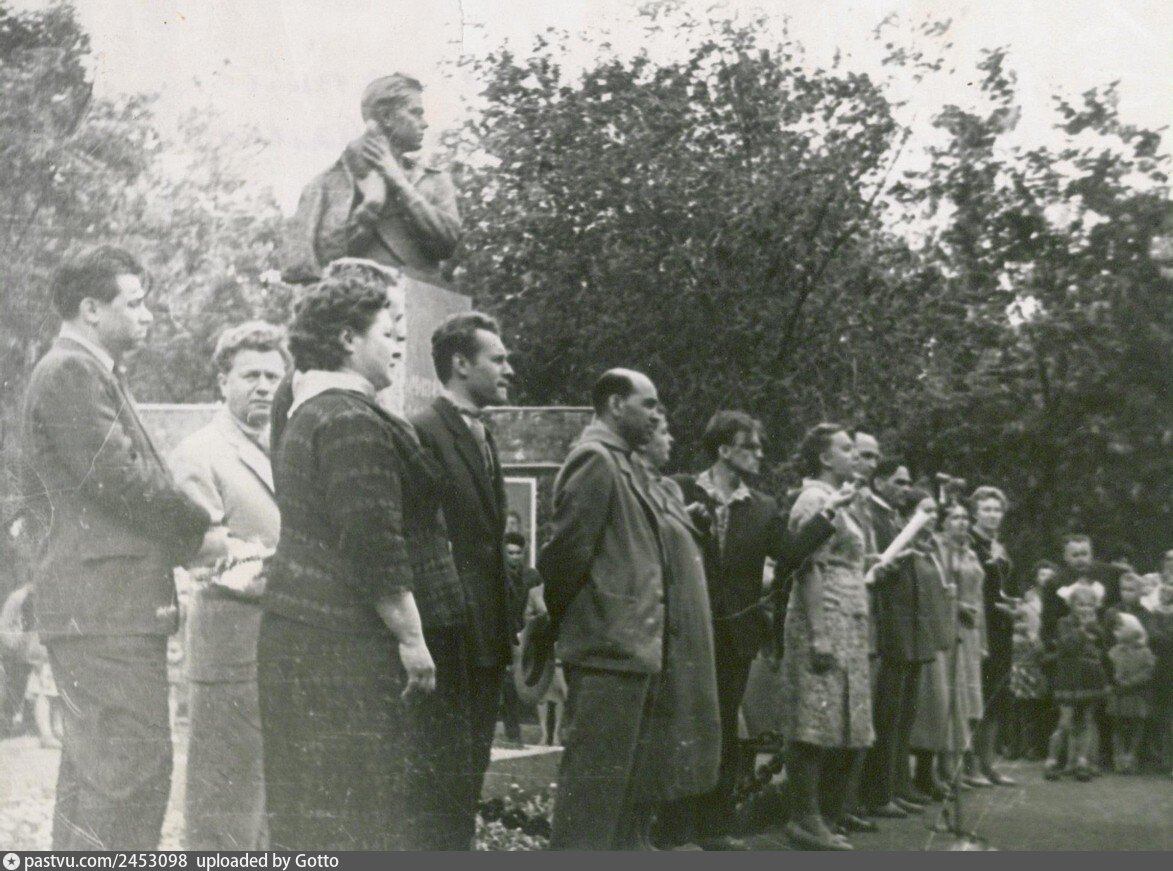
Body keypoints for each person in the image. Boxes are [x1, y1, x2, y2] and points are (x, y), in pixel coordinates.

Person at [20, 247, 211, 849]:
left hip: (101, 610)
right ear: (91, 309)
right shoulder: (72, 373)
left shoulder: (83, 371)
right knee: (129, 778)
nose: (147, 315)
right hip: (106, 613)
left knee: (97, 782)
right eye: (136, 302)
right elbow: (121, 478)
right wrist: (203, 530)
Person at [257, 270, 454, 849]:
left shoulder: (313, 410)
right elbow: (373, 541)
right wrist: (412, 638)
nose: (397, 344)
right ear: (347, 339)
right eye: (387, 332)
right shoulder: (348, 419)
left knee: (314, 810)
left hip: (307, 635)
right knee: (354, 810)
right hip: (341, 645)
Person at [665, 411, 841, 849]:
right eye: (752, 446)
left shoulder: (762, 506)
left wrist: (828, 515)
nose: (760, 454)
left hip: (735, 635)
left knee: (725, 729)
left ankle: (714, 827)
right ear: (724, 449)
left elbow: (789, 555)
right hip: (686, 628)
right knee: (681, 724)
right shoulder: (680, 489)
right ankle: (671, 828)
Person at [168, 321, 288, 849]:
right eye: (250, 375)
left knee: (271, 805)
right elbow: (199, 547)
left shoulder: (286, 446)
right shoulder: (200, 450)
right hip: (229, 646)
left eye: (272, 376)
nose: (263, 387)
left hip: (284, 642)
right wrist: (282, 564)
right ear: (223, 381)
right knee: (224, 806)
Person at [537, 368, 666, 850]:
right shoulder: (595, 458)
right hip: (607, 649)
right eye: (648, 404)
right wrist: (561, 623)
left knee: (613, 796)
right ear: (615, 404)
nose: (656, 415)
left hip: (626, 648)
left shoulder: (620, 462)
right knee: (590, 800)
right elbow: (566, 554)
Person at [409, 311, 514, 848]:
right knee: (442, 776)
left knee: (469, 769)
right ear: (460, 364)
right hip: (451, 635)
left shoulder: (482, 433)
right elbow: (423, 536)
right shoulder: (424, 431)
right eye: (498, 359)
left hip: (488, 634)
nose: (509, 370)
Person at [778, 424, 872, 851]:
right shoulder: (814, 499)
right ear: (824, 457)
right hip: (823, 617)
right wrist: (818, 633)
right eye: (846, 448)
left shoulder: (843, 500)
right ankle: (805, 819)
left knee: (840, 718)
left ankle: (827, 815)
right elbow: (807, 566)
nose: (855, 455)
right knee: (812, 720)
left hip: (849, 620)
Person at [284, 74, 460, 285]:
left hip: (423, 298)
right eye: (415, 113)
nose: (425, 124)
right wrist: (370, 207)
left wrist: (398, 182)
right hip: (354, 297)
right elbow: (317, 266)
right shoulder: (324, 186)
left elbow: (447, 246)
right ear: (386, 117)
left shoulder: (435, 181)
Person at [637, 415, 722, 851]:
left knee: (688, 722)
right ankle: (646, 835)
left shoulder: (669, 489)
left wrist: (690, 522)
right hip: (665, 625)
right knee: (659, 728)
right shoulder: (634, 487)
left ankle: (663, 833)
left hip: (691, 625)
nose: (671, 440)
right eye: (663, 433)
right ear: (642, 438)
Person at [860, 459, 940, 819]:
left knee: (903, 713)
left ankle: (896, 785)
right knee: (888, 713)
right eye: (899, 482)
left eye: (908, 483)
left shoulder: (894, 517)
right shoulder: (876, 518)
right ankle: (879, 791)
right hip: (890, 624)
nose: (906, 490)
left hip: (907, 627)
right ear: (879, 482)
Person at [937, 502, 990, 789]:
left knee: (969, 698)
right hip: (950, 624)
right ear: (943, 522)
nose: (961, 522)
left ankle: (965, 765)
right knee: (952, 696)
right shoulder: (940, 549)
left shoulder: (970, 552)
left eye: (964, 517)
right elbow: (939, 588)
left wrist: (983, 639)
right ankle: (945, 766)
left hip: (971, 629)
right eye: (954, 517)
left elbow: (979, 596)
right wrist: (957, 606)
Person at [967, 485, 1017, 786]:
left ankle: (988, 764)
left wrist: (1012, 604)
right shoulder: (970, 542)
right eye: (986, 509)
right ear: (975, 512)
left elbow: (1004, 585)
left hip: (1001, 625)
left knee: (996, 695)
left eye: (997, 509)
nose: (993, 515)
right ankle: (970, 765)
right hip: (978, 624)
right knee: (977, 695)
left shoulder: (998, 545)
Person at [1044, 585, 1109, 782]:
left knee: (1086, 721)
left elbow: (1102, 645)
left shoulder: (1096, 625)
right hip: (1069, 679)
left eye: (1089, 605)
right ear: (1071, 605)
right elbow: (1066, 646)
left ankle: (1082, 761)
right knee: (1065, 722)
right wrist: (1082, 629)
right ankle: (1051, 761)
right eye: (1080, 604)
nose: (1085, 609)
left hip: (1089, 679)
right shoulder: (1064, 623)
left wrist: (1095, 631)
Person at [1002, 562, 1053, 761]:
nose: (1046, 578)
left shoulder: (1054, 598)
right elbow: (1018, 621)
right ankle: (1016, 745)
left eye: (1050, 575)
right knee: (1020, 704)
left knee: (1035, 706)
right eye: (1042, 574)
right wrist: (1026, 631)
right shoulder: (1029, 600)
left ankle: (1032, 746)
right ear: (1036, 578)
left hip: (1039, 656)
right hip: (1026, 656)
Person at [501, 531, 542, 745]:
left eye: (518, 553)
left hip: (527, 634)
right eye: (510, 553)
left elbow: (540, 605)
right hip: (505, 634)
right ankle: (512, 731)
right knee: (508, 683)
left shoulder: (533, 577)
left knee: (528, 681)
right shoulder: (498, 576)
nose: (514, 557)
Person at [1105, 613, 1155, 774]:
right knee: (1117, 726)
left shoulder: (1145, 652)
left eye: (1120, 628)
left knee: (1136, 726)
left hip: (1137, 694)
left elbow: (1148, 672)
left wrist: (1131, 682)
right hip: (1118, 693)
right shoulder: (1114, 651)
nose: (1116, 631)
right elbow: (1108, 669)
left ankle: (1131, 757)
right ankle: (1118, 757)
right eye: (1115, 628)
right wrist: (1115, 679)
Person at [522, 582, 567, 745]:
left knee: (560, 692)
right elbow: (527, 616)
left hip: (559, 643)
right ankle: (544, 733)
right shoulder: (535, 592)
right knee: (542, 693)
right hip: (541, 643)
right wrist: (539, 619)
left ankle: (556, 734)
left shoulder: (564, 589)